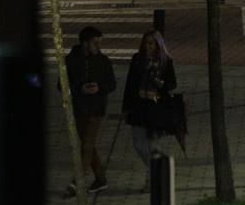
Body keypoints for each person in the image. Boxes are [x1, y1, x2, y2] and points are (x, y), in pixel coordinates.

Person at [64, 26, 117, 195]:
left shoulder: (103, 61)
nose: (98, 46)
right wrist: (81, 89)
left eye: (100, 43)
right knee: (88, 145)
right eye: (95, 43)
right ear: (85, 43)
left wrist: (99, 88)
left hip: (96, 108)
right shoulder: (71, 60)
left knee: (87, 143)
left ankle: (77, 181)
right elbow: (62, 84)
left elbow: (112, 83)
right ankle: (101, 179)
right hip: (79, 107)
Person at [123, 30, 178, 191]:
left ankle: (152, 179)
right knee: (139, 143)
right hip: (138, 106)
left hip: (155, 107)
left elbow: (171, 83)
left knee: (152, 142)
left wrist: (158, 90)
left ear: (158, 45)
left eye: (151, 43)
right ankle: (158, 169)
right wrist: (126, 106)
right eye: (146, 43)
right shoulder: (137, 59)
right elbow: (130, 83)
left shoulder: (165, 61)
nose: (148, 46)